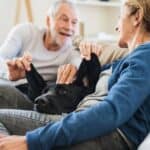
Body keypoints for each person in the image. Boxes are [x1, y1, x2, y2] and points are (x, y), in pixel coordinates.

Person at [0, 0, 150, 149]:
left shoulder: (145, 56)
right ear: (48, 20)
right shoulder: (128, 59)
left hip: (103, 132)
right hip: (80, 121)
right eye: (64, 19)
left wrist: (31, 141)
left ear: (137, 17)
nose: (116, 26)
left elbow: (112, 111)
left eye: (119, 16)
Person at [0, 0, 83, 109]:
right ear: (49, 20)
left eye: (74, 22)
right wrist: (8, 72)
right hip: (6, 82)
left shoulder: (72, 53)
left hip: (29, 96)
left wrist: (76, 70)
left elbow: (78, 64)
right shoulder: (25, 31)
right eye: (64, 19)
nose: (69, 27)